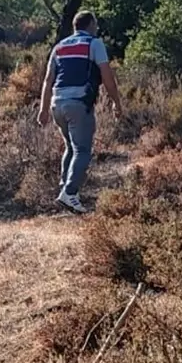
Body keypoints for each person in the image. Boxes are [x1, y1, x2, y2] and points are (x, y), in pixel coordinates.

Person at [37, 11, 123, 213]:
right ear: (91, 24)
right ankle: (70, 192)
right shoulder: (94, 43)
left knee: (71, 147)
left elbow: (48, 80)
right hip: (79, 102)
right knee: (82, 151)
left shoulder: (59, 46)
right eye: (96, 24)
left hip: (57, 104)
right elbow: (107, 75)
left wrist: (43, 109)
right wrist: (116, 103)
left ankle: (64, 190)